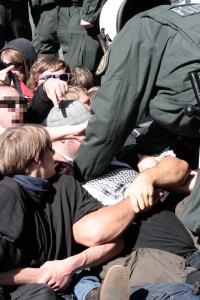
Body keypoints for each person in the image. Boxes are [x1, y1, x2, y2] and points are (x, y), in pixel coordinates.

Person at [0, 124, 196, 300]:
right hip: (29, 288)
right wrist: (41, 274)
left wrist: (68, 265)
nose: (54, 155)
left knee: (182, 293)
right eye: (50, 150)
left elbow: (115, 242)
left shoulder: (64, 186)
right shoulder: (8, 194)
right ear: (37, 158)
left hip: (73, 277)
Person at [72, 1, 200, 181]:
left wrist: (79, 175)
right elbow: (177, 88)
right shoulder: (182, 15)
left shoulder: (139, 30)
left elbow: (112, 118)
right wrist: (140, 148)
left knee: (191, 209)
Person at [29, 0, 106, 74]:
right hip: (44, 9)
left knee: (79, 71)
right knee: (44, 67)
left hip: (77, 8)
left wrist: (90, 12)